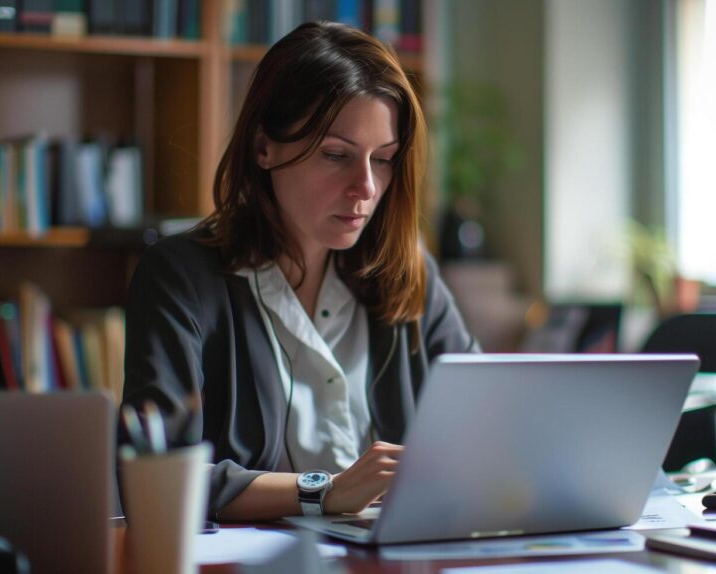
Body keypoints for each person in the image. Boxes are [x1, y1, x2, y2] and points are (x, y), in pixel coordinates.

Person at [122, 21, 477, 523]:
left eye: (385, 160)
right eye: (337, 155)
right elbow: (159, 477)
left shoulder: (408, 271)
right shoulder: (180, 277)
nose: (367, 188)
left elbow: (487, 427)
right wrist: (326, 491)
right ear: (264, 147)